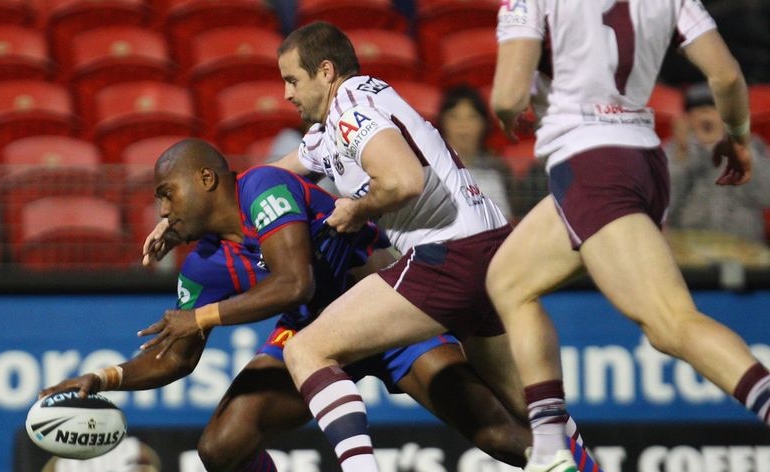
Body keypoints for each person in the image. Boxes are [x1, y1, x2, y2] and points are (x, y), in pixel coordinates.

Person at [41, 139, 544, 470]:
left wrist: (201, 316)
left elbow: (294, 282)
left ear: (207, 179)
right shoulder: (202, 266)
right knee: (221, 446)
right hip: (310, 338)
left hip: (389, 313)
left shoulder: (262, 186)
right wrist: (105, 378)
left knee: (499, 433)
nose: (162, 209)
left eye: (167, 193)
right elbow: (176, 356)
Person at [242, 21, 600, 471]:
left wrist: (355, 209)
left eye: (292, 80)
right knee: (533, 410)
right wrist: (194, 216)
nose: (287, 94)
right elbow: (269, 177)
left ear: (326, 72)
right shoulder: (352, 110)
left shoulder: (350, 112)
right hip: (491, 251)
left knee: (306, 350)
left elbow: (404, 180)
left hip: (448, 255)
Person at [485, 1, 770, 471]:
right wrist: (737, 133)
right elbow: (726, 76)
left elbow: (506, 95)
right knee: (509, 281)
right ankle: (552, 446)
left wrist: (511, 111)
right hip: (640, 157)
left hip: (591, 164)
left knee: (671, 323)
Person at [665, 82, 770, 243]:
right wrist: (682, 156)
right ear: (687, 119)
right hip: (690, 247)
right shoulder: (673, 150)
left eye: (716, 109)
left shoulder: (753, 146)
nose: (707, 114)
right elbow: (664, 207)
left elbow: (766, 196)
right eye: (698, 110)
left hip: (744, 247)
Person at [437, 84, 514, 220]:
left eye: (472, 117)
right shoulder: (431, 167)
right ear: (442, 122)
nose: (463, 125)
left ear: (484, 123)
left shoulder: (498, 169)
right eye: (454, 116)